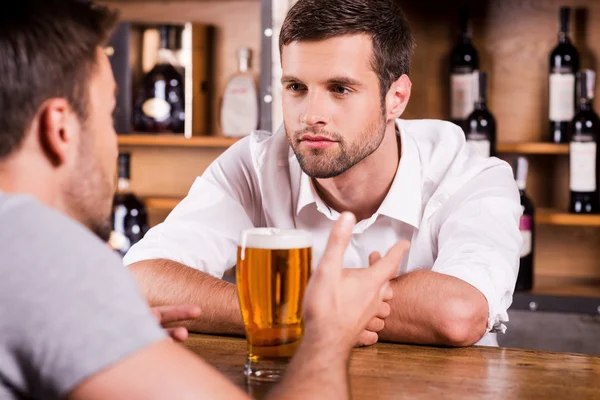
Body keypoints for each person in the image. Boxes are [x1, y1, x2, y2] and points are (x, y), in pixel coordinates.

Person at [0, 1, 409, 399]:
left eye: (339, 89)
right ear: (60, 129)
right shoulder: (36, 252)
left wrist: (100, 335)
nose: (312, 114)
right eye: (108, 114)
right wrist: (325, 332)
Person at [125, 0, 523, 348]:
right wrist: (305, 309)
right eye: (296, 86)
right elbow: (141, 282)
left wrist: (274, 307)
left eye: (340, 89)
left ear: (396, 98)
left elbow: (458, 314)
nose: (311, 114)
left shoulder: (471, 177)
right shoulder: (254, 164)